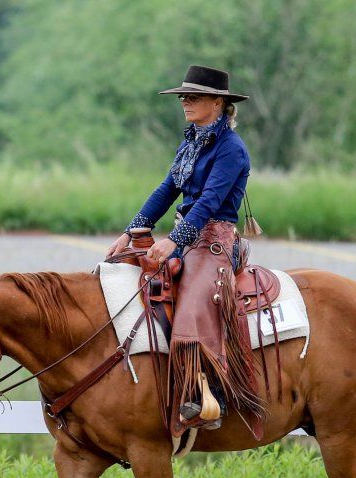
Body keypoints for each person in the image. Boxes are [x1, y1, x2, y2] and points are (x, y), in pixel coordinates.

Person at [106, 65, 262, 436]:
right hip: (186, 234)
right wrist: (131, 232)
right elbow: (166, 190)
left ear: (218, 103)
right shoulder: (192, 141)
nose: (185, 103)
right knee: (121, 272)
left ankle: (213, 395)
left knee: (193, 305)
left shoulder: (231, 149)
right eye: (183, 97)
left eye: (193, 97)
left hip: (215, 240)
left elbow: (209, 202)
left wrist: (175, 240)